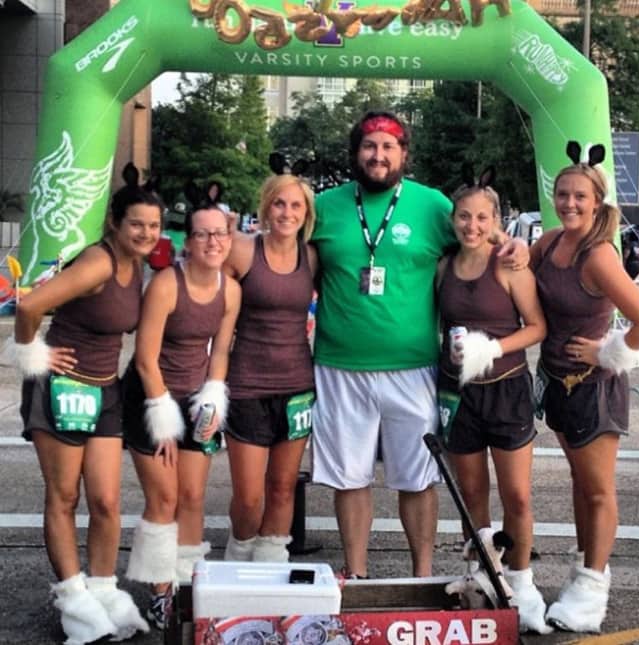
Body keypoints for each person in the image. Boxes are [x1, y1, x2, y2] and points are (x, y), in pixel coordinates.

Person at [309, 110, 529, 579]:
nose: (378, 155)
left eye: (389, 147)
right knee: (350, 478)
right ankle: (358, 575)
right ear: (356, 154)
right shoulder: (325, 206)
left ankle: (423, 575)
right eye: (369, 146)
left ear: (404, 154)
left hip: (413, 366)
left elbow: (480, 234)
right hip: (339, 366)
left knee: (417, 478)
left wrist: (515, 243)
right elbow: (282, 247)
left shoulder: (431, 205)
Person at [10, 163, 161, 644]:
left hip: (104, 390)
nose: (145, 233)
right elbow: (30, 305)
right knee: (64, 497)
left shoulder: (136, 266)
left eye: (153, 225)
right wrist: (34, 354)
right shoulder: (98, 262)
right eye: (136, 223)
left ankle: (103, 589)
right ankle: (75, 601)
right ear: (115, 223)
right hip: (62, 389)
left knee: (107, 501)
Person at [531, 142, 639, 633]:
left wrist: (606, 352)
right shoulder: (549, 243)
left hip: (595, 387)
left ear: (596, 202)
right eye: (562, 194)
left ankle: (593, 585)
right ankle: (584, 571)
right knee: (580, 485)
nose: (569, 203)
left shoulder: (598, 256)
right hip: (558, 384)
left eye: (580, 196)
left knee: (597, 491)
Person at [435, 167, 550, 633]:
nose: (472, 226)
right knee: (473, 500)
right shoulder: (444, 266)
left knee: (517, 497)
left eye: (483, 218)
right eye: (464, 216)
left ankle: (520, 585)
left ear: (495, 220)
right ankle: (481, 580)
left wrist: (493, 347)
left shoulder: (507, 263)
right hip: (460, 394)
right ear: (454, 219)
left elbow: (538, 326)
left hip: (506, 389)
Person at [122, 197, 241, 628]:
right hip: (151, 399)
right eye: (203, 234)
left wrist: (213, 397)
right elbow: (144, 359)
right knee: (166, 497)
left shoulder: (231, 289)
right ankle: (159, 589)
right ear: (187, 242)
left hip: (195, 398)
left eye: (221, 233)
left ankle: (187, 582)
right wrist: (164, 420)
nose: (214, 241)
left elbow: (222, 350)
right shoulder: (166, 285)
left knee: (192, 496)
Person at [222, 173, 317, 562]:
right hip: (246, 387)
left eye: (296, 205)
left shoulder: (312, 257)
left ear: (307, 213)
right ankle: (239, 554)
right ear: (265, 207)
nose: (287, 212)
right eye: (279, 203)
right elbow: (200, 293)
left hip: (297, 387)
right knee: (249, 496)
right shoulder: (242, 250)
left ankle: (271, 565)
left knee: (282, 488)